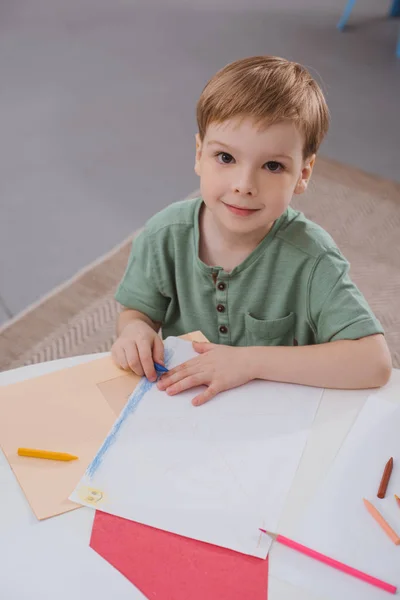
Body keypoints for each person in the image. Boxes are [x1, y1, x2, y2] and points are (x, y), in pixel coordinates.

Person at [111, 56, 392, 406]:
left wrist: (248, 361)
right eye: (226, 158)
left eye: (272, 165)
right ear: (200, 153)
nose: (244, 185)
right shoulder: (163, 235)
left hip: (280, 422)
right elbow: (137, 313)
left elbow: (374, 363)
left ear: (303, 174)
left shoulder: (313, 258)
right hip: (186, 411)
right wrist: (135, 330)